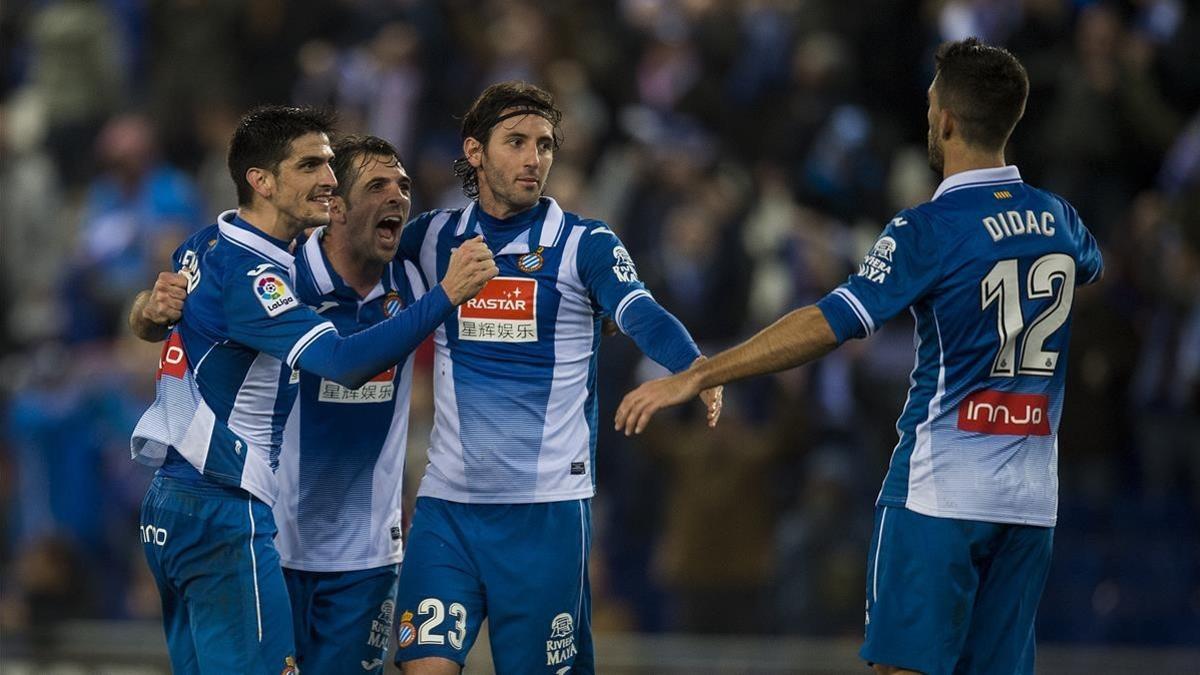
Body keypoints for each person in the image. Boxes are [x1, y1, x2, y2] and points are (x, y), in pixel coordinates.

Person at [615, 38, 1103, 675]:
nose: (929, 116)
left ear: (948, 120)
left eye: (932, 105)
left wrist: (704, 370)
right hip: (1031, 501)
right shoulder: (1061, 220)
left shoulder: (929, 228)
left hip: (939, 498)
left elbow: (827, 323)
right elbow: (1089, 269)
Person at [127, 106, 496, 674]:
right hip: (227, 508)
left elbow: (159, 314)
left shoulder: (207, 241)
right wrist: (447, 295)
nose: (327, 178)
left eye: (328, 164)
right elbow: (343, 362)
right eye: (310, 166)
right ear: (263, 181)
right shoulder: (261, 278)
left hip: (174, 505)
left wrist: (147, 314)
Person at [393, 81, 721, 674]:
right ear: (475, 152)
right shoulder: (433, 237)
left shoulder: (583, 244)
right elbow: (356, 266)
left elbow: (640, 311)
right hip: (448, 508)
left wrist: (694, 366)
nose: (533, 159)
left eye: (544, 145)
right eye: (516, 142)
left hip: (543, 514)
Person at [273, 135, 430, 674]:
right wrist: (149, 313)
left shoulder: (418, 279)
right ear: (334, 204)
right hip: (272, 546)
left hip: (367, 558)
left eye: (404, 186)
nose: (398, 197)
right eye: (378, 185)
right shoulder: (282, 278)